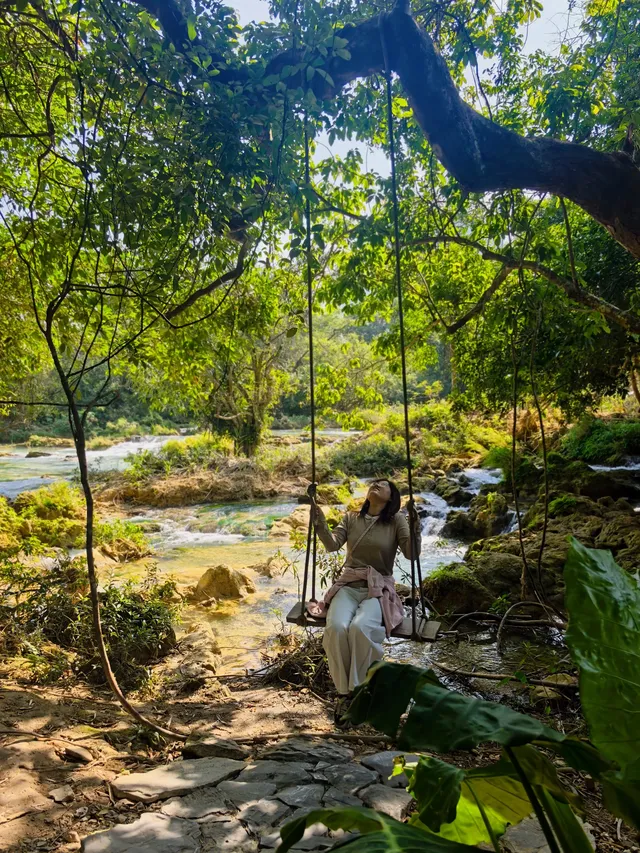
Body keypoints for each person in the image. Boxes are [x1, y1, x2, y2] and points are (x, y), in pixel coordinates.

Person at [308, 478, 422, 724]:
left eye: (384, 485)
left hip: (377, 587)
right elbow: (331, 545)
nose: (376, 485)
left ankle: (359, 691)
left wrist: (415, 527)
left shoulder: (396, 521)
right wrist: (318, 520)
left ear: (391, 497)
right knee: (336, 627)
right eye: (375, 483)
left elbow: (412, 554)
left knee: (361, 628)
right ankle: (345, 693)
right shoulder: (351, 518)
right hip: (349, 585)